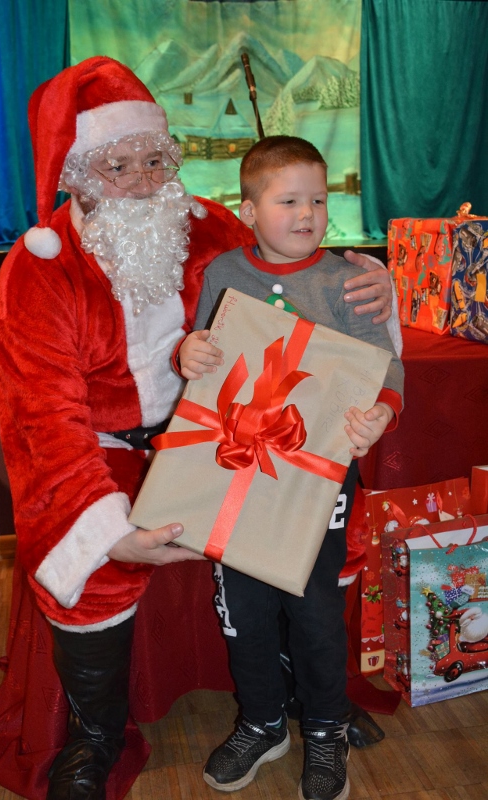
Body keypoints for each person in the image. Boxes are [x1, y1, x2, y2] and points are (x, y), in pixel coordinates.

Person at [0, 58, 395, 800]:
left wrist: (375, 286)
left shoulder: (211, 227)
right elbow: (44, 423)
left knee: (325, 530)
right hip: (106, 453)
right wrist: (108, 528)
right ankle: (96, 736)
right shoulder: (39, 271)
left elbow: (302, 276)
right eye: (118, 165)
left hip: (227, 433)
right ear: (77, 175)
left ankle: (311, 699)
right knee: (99, 564)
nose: (143, 181)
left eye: (155, 160)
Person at [178, 135, 404, 800]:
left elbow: (384, 366)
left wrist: (383, 411)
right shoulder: (223, 272)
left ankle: (327, 728)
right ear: (249, 211)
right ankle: (262, 720)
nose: (308, 214)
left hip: (319, 475)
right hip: (240, 471)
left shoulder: (348, 280)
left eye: (319, 199)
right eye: (289, 201)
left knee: (313, 609)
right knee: (243, 607)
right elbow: (208, 356)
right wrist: (188, 352)